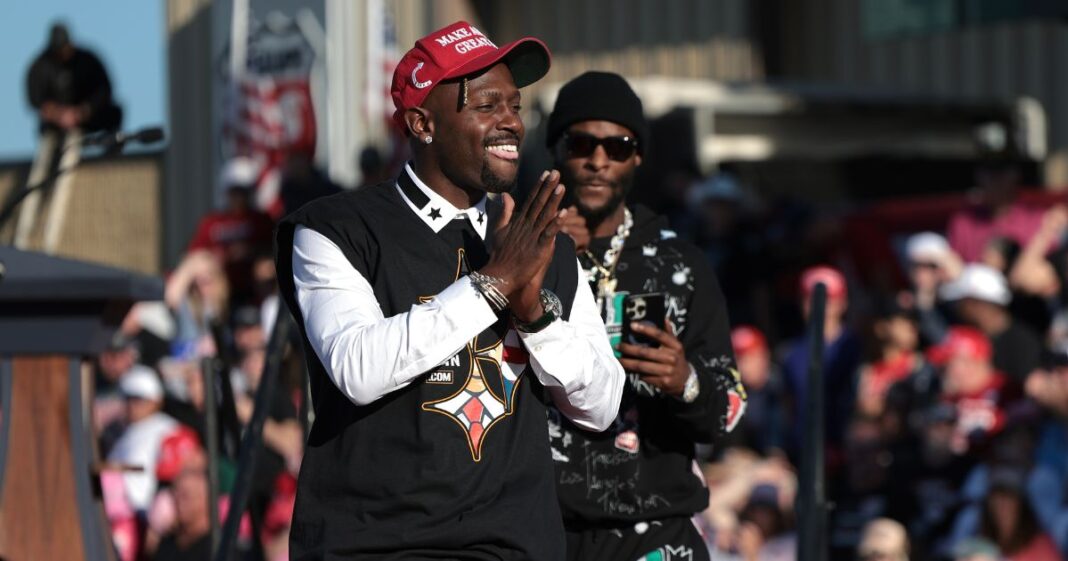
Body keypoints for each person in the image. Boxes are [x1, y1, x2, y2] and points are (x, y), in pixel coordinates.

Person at [274, 22, 624, 560]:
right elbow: (356, 369)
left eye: (514, 104)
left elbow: (600, 406)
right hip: (376, 545)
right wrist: (494, 283)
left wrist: (534, 315)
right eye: (486, 106)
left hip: (516, 546)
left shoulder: (541, 243)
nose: (510, 121)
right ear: (422, 124)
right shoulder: (334, 229)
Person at [546, 70, 745, 561]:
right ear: (556, 149)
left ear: (638, 157)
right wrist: (543, 257)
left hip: (654, 533)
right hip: (543, 530)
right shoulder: (517, 248)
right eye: (581, 143)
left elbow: (729, 407)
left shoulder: (680, 264)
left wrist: (686, 382)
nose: (597, 161)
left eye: (617, 146)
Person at [186, 157, 275, 304]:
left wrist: (250, 251)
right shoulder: (212, 222)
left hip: (253, 284)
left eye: (243, 191)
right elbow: (194, 254)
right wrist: (217, 257)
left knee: (264, 269)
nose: (239, 197)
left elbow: (275, 251)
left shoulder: (261, 220)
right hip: (219, 282)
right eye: (235, 191)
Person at [939, 263, 1042, 387]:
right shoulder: (967, 333)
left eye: (961, 301)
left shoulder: (1023, 343)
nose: (957, 308)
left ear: (977, 304)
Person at [25, 23, 122, 136]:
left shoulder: (87, 60)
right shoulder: (40, 66)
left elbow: (104, 90)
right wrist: (59, 115)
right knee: (51, 141)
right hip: (54, 126)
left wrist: (82, 112)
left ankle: (112, 148)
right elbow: (36, 100)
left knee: (115, 113)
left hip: (88, 118)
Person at [106, 366, 178, 514]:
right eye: (128, 399)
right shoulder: (124, 430)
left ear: (155, 401)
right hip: (118, 507)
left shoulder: (168, 429)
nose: (132, 405)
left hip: (144, 511)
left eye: (138, 399)